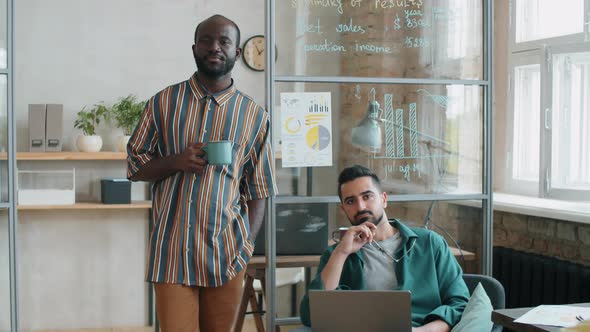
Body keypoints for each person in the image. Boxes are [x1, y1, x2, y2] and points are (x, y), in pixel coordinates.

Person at [126, 14, 276, 332]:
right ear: (194, 49)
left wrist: (245, 246)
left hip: (227, 256)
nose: (214, 47)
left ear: (236, 52)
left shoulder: (254, 116)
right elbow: (135, 165)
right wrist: (175, 161)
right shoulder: (162, 103)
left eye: (224, 41)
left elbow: (259, 189)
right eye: (207, 40)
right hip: (171, 254)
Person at [300, 165, 469, 331]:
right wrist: (341, 252)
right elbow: (310, 316)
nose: (360, 207)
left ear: (384, 199)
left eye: (367, 197)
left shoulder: (430, 244)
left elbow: (460, 303)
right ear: (344, 209)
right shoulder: (337, 254)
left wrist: (425, 331)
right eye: (351, 201)